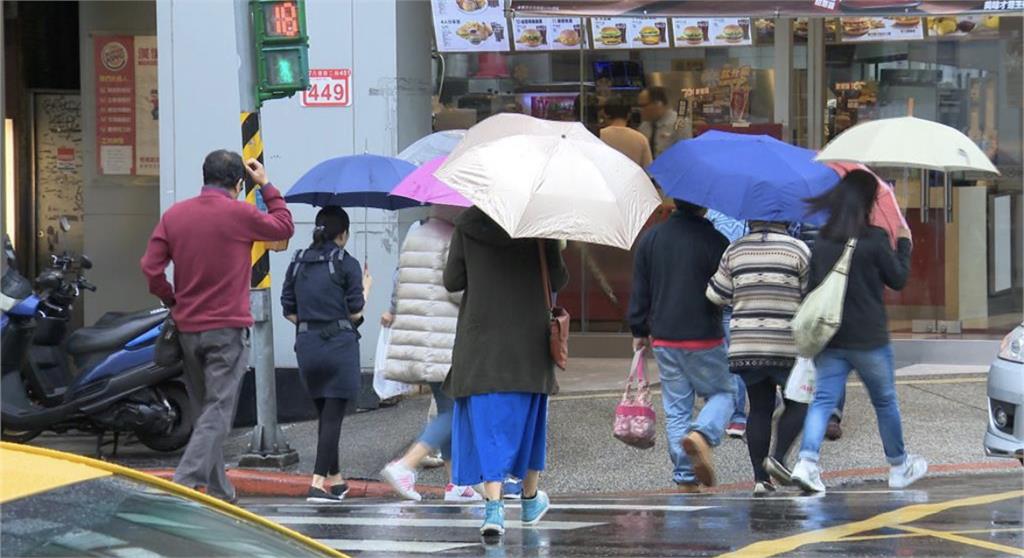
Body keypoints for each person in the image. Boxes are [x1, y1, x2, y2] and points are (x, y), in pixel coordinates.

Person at [141, 151, 294, 503]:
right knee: (218, 414)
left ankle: (220, 491)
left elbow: (150, 268)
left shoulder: (175, 215)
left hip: (186, 329)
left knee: (204, 411)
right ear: (238, 184)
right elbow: (284, 226)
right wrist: (267, 184)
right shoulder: (240, 214)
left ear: (204, 176)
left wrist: (171, 299)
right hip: (225, 330)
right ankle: (184, 481)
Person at [790, 170, 927, 494]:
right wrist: (904, 242)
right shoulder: (876, 239)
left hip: (831, 337)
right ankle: (898, 465)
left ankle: (807, 464)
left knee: (822, 401)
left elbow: (812, 288)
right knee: (885, 402)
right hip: (869, 339)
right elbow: (898, 279)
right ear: (867, 202)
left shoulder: (822, 240)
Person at [443, 207, 568, 538]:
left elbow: (452, 280)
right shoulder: (542, 222)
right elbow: (557, 279)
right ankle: (529, 500)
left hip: (481, 343)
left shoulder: (468, 224)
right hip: (528, 343)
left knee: (488, 425)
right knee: (530, 422)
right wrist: (557, 243)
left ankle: (494, 509)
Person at [629, 200, 734, 492]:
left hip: (664, 336)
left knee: (677, 409)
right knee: (725, 393)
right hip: (704, 335)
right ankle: (703, 434)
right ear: (705, 206)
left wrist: (638, 328)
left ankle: (685, 477)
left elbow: (641, 288)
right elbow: (725, 291)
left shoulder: (652, 238)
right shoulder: (716, 240)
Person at [379, 207, 483, 503]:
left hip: (419, 336)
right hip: (443, 337)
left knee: (447, 405)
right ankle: (406, 464)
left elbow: (400, 283)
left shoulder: (414, 234)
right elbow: (456, 291)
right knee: (453, 411)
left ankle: (456, 483)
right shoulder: (453, 238)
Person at [707, 221, 811, 495]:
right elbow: (810, 294)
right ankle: (777, 456)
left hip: (747, 344)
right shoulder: (798, 249)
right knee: (800, 402)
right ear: (784, 220)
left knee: (760, 408)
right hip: (787, 344)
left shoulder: (735, 250)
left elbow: (716, 295)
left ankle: (760, 479)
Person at [281, 206, 370, 503]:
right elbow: (356, 313)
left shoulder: (298, 261)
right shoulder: (347, 263)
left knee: (325, 416)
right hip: (339, 349)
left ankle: (336, 480)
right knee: (332, 418)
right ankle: (317, 484)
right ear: (343, 234)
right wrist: (366, 291)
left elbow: (289, 310)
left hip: (307, 347)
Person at [794, 221, 844, 442]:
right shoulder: (841, 206)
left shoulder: (798, 202)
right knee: (835, 350)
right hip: (836, 280)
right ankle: (831, 415)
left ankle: (805, 403)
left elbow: (793, 236)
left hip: (809, 281)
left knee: (810, 349)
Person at [706, 209, 750, 440]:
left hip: (721, 290)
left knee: (729, 357)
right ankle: (742, 412)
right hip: (748, 291)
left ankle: (737, 415)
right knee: (743, 356)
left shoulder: (712, 215)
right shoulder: (752, 214)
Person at [599, 96, 653, 168]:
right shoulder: (641, 139)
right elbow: (649, 169)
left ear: (606, 114)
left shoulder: (598, 136)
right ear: (629, 115)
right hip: (633, 178)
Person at [637, 86, 684, 158]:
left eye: (643, 106)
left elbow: (685, 154)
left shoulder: (680, 124)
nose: (640, 110)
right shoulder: (643, 127)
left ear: (658, 104)